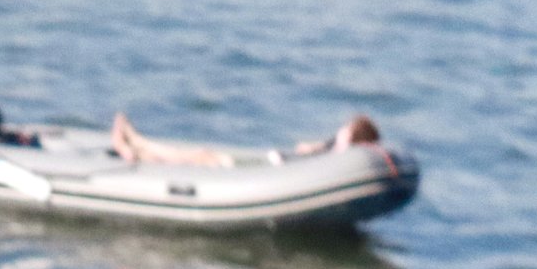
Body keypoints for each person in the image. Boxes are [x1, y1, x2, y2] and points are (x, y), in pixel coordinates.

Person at [110, 110, 381, 168]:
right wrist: (312, 147)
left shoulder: (340, 159)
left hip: (269, 170)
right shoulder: (335, 150)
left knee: (202, 157)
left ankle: (136, 143)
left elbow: (317, 154)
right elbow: (310, 148)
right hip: (272, 163)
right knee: (201, 155)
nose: (340, 134)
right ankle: (137, 145)